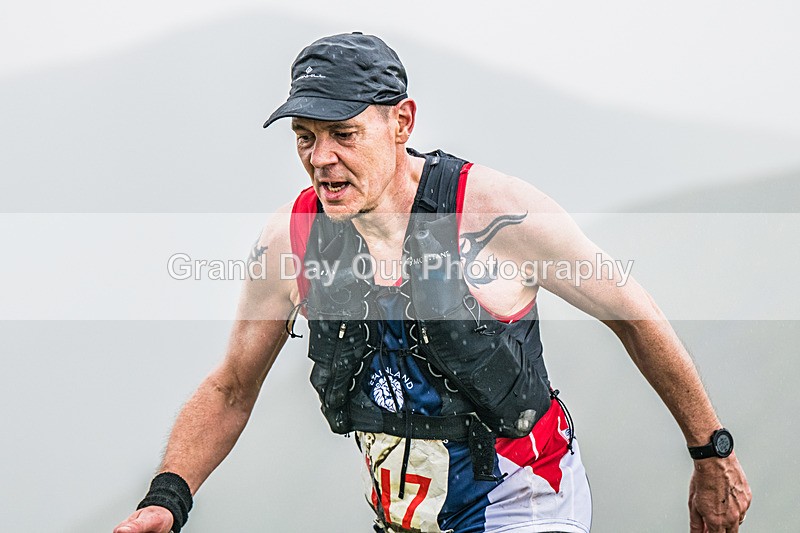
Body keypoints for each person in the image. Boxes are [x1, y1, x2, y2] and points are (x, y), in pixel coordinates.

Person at [113, 33, 751, 533]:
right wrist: (168, 497)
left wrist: (711, 451)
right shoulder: (291, 243)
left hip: (526, 508)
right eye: (305, 139)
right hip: (405, 518)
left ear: (402, 122)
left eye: (344, 135)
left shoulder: (495, 214)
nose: (320, 158)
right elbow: (231, 387)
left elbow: (629, 310)